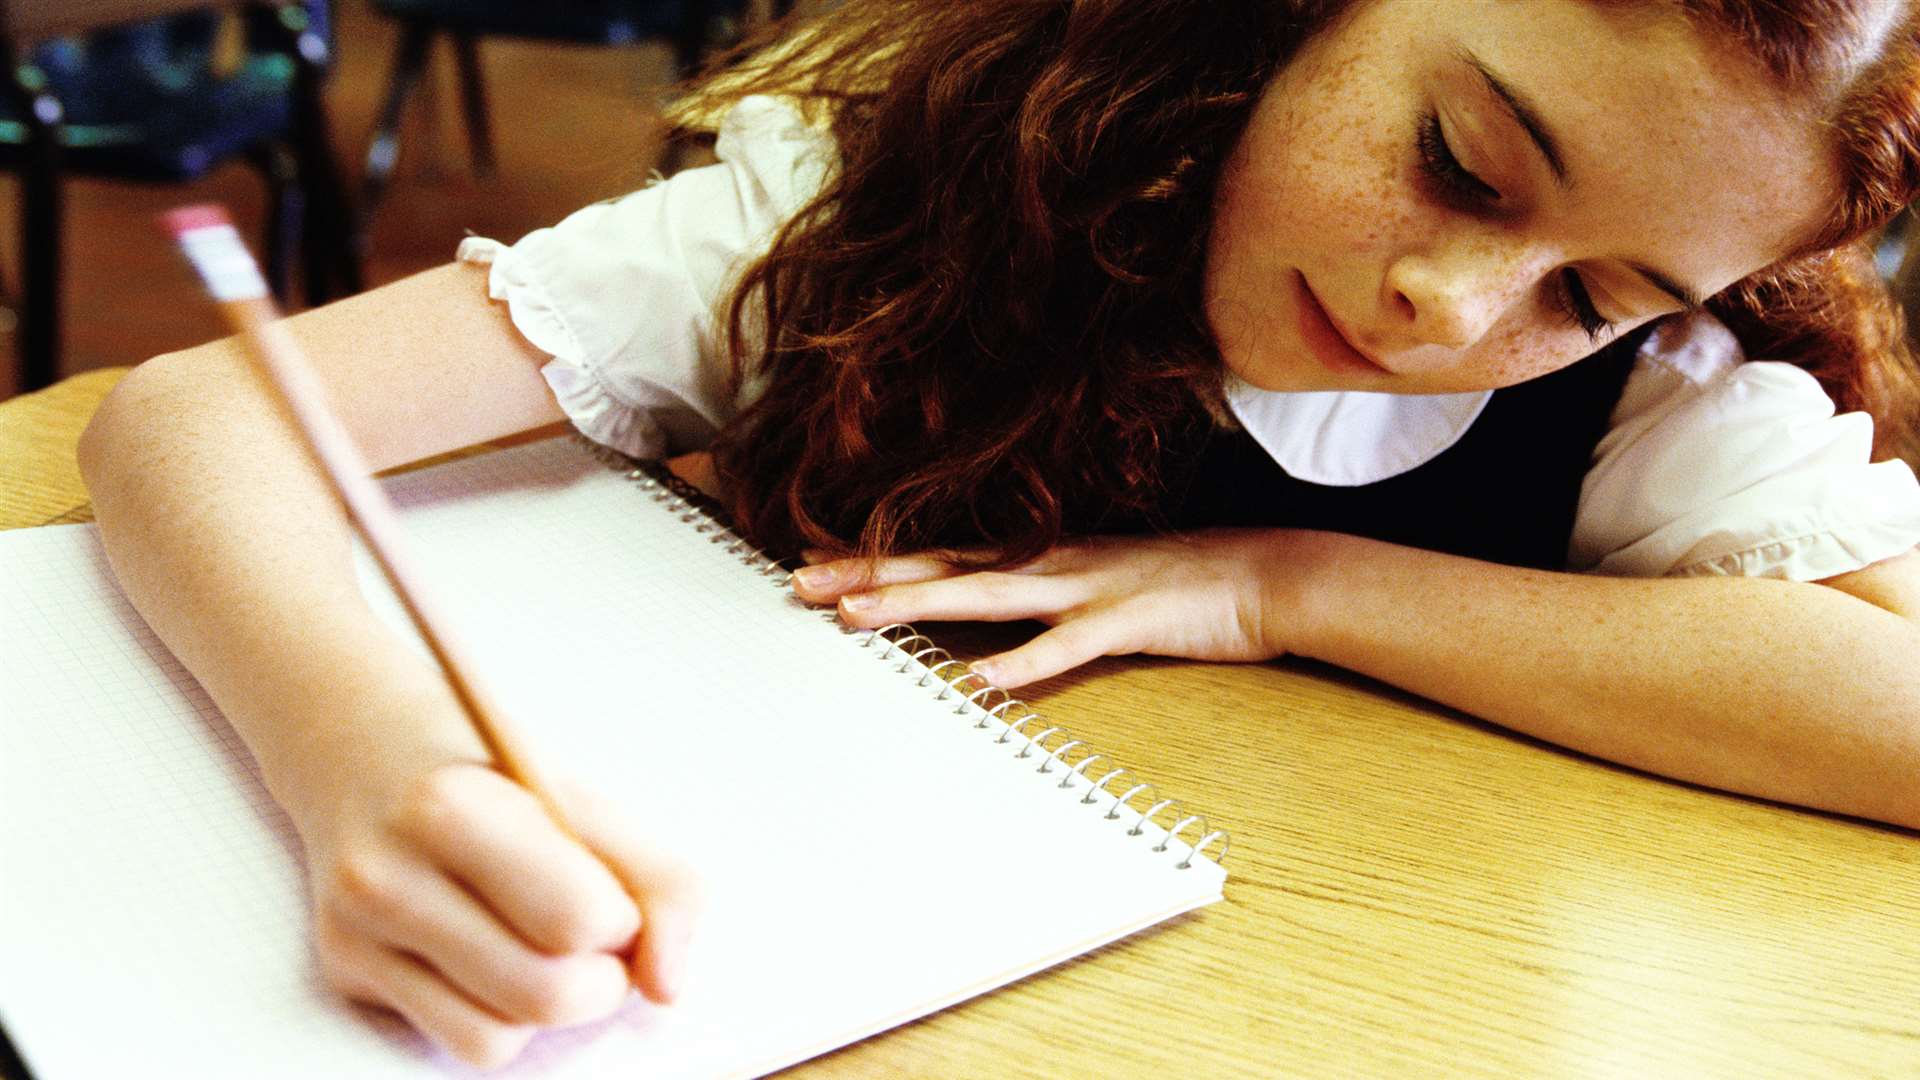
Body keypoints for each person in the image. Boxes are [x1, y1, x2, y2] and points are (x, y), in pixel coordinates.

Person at [76, 0, 1920, 1067]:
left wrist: (1296, 589)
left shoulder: (1659, 392)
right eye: (1458, 160)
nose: (1454, 303)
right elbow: (190, 416)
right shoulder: (857, 207)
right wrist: (360, 764)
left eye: (1589, 286)